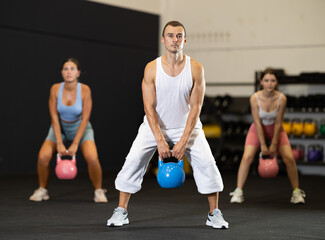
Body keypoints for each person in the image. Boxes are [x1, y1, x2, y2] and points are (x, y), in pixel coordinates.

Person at [106, 21, 228, 229]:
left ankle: (213, 213)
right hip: (154, 125)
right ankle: (121, 211)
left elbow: (196, 108)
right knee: (133, 161)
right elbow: (148, 108)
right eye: (170, 36)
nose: (175, 39)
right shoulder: (151, 69)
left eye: (179, 36)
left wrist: (182, 141)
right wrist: (160, 141)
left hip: (187, 125)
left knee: (207, 163)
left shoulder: (196, 69)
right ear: (163, 40)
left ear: (185, 40)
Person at [29, 58, 107, 203]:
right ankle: (42, 189)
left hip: (81, 128)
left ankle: (99, 190)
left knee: (93, 159)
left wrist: (75, 144)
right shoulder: (55, 89)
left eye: (72, 69)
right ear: (62, 73)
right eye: (65, 69)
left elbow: (85, 119)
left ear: (78, 72)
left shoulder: (85, 90)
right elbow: (54, 117)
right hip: (60, 128)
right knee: (42, 158)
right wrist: (59, 143)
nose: (68, 72)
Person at [230, 68, 306, 204]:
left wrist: (274, 144)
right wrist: (264, 145)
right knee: (247, 156)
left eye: (272, 80)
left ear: (276, 83)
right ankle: (238, 191)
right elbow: (258, 123)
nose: (269, 83)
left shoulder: (282, 99)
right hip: (258, 129)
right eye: (266, 80)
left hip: (276, 129)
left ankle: (296, 193)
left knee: (289, 158)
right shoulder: (255, 98)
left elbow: (278, 123)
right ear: (261, 82)